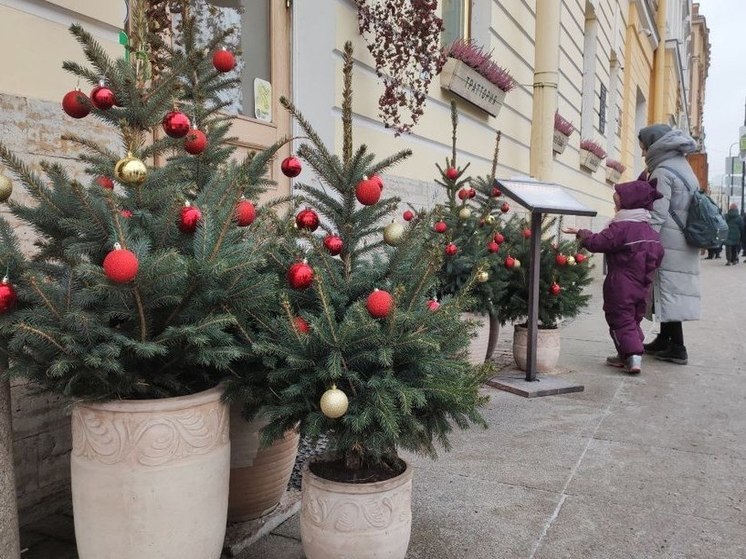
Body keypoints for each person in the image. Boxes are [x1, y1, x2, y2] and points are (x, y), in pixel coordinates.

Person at [563, 179, 664, 374]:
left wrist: (582, 233)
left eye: (617, 201)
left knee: (620, 318)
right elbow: (659, 254)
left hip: (621, 284)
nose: (614, 205)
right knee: (633, 319)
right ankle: (624, 354)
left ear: (628, 204)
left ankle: (633, 356)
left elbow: (598, 242)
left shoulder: (621, 228)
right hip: (644, 285)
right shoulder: (650, 231)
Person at [637, 124, 700, 365]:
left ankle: (678, 348)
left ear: (653, 145)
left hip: (670, 240)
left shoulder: (663, 171)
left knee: (668, 290)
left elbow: (658, 213)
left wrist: (645, 241)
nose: (643, 153)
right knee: (666, 290)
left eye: (644, 148)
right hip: (681, 239)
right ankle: (665, 339)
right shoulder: (681, 164)